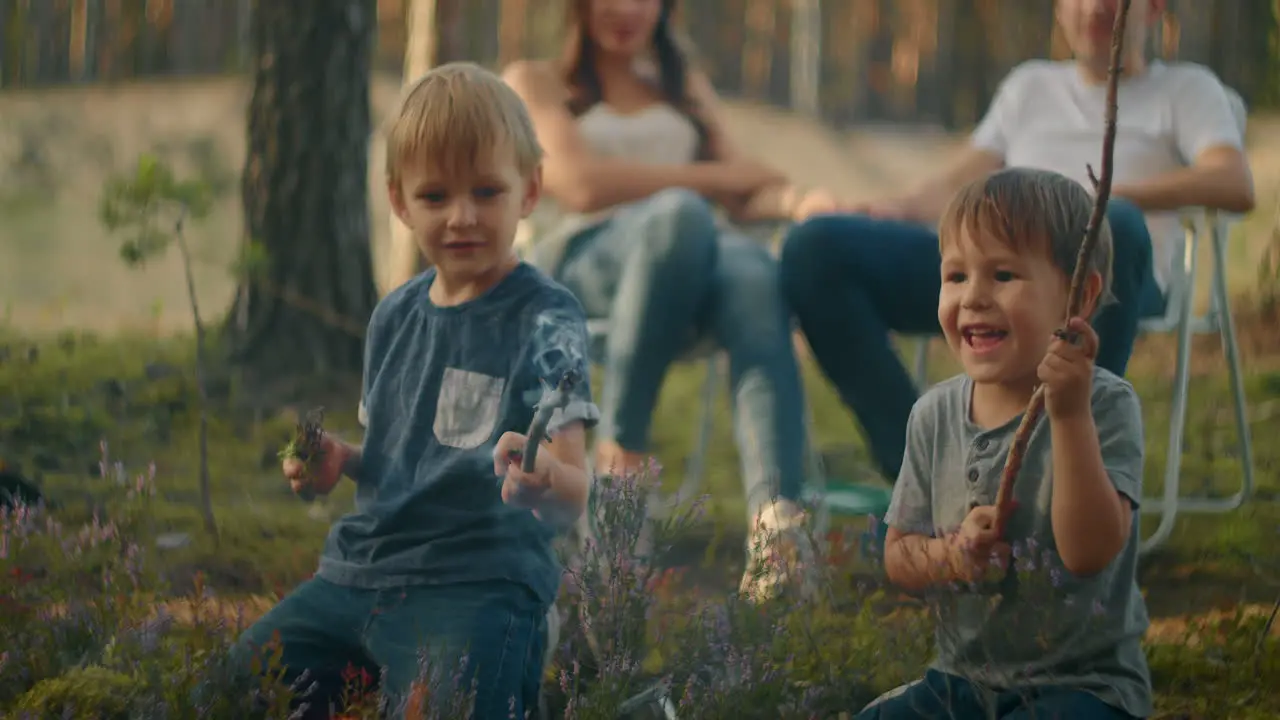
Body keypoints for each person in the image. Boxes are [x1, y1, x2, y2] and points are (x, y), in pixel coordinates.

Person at [230, 63, 599, 720]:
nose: (462, 217)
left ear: (531, 190)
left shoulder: (546, 317)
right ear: (399, 202)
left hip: (477, 583)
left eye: (487, 191)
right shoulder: (393, 317)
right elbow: (400, 458)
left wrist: (546, 480)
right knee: (234, 684)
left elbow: (575, 487)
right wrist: (341, 461)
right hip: (357, 576)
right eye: (435, 197)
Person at [780, 0, 1255, 485]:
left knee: (1116, 223)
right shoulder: (1030, 87)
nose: (1094, 7)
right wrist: (892, 208)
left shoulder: (1186, 90)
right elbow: (960, 181)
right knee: (814, 248)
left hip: (1104, 278)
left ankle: (1053, 478)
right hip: (992, 271)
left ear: (1152, 9)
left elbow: (1233, 182)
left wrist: (1097, 199)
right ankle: (928, 477)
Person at [503, 0, 840, 600]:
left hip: (693, 273)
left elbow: (748, 188)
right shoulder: (536, 82)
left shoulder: (685, 87)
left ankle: (777, 529)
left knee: (755, 271)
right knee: (681, 215)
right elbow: (579, 185)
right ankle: (621, 472)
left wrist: (799, 202)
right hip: (582, 265)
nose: (624, 8)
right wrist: (712, 181)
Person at [861, 167, 1152, 719]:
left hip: (1084, 687)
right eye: (955, 276)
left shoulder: (1105, 406)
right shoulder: (933, 415)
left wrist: (1068, 417)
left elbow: (1089, 553)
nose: (973, 297)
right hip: (960, 684)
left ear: (1079, 295)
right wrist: (953, 557)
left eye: (1002, 275)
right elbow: (899, 557)